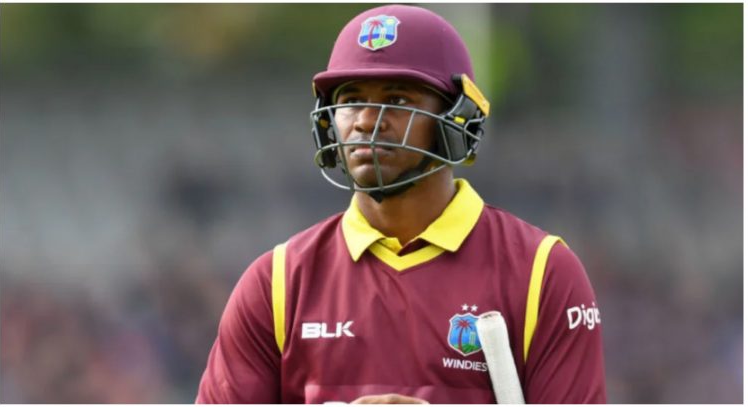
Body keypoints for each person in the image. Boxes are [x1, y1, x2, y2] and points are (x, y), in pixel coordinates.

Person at [196, 4, 606, 404]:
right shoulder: (276, 283)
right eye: (351, 99)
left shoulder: (542, 272)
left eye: (398, 100)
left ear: (458, 118)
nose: (366, 121)